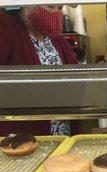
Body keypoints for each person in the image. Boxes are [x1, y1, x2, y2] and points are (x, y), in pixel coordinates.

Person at [0, 6, 78, 136]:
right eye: (51, 6)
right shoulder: (5, 28)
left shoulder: (57, 40)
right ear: (27, 4)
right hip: (23, 138)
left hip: (63, 135)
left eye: (60, 7)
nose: (56, 13)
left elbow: (78, 78)